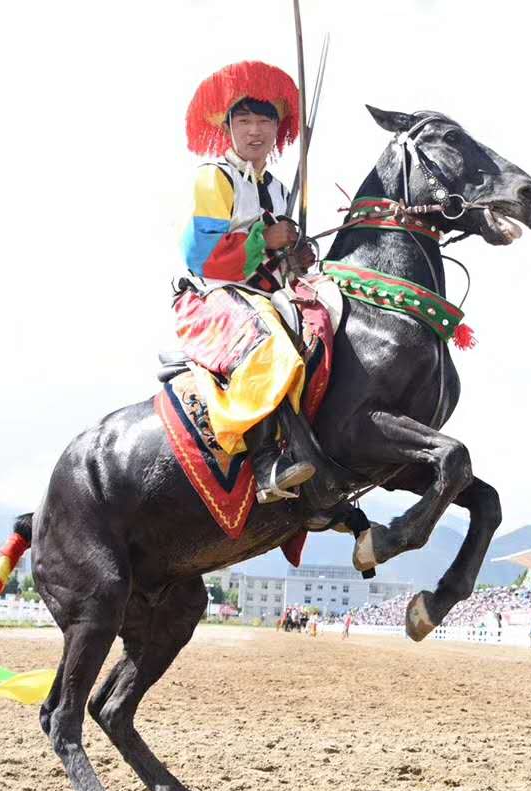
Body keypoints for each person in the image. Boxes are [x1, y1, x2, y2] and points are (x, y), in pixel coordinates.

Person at [177, 60, 320, 504]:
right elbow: (203, 257)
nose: (254, 131)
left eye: (264, 120)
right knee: (268, 342)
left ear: (277, 129)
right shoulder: (212, 178)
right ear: (229, 127)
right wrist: (265, 239)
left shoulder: (280, 189)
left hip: (271, 294)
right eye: (244, 121)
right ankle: (264, 465)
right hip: (215, 296)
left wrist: (297, 254)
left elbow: (288, 258)